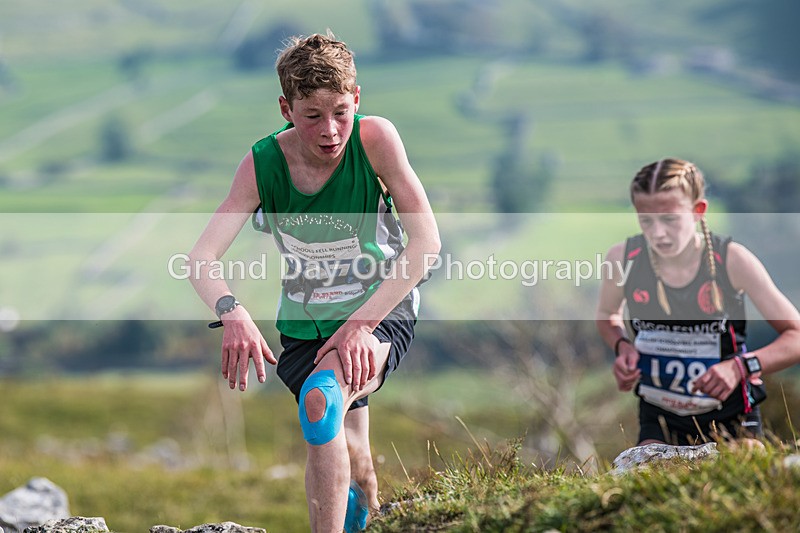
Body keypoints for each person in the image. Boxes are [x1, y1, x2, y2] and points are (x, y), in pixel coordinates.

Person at [187, 32, 440, 532]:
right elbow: (201, 258)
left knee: (321, 403)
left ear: (358, 99)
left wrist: (362, 325)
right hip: (305, 326)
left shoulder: (376, 140)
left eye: (341, 112)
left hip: (382, 309)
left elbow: (426, 244)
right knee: (351, 448)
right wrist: (232, 311)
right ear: (286, 108)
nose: (330, 131)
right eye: (312, 117)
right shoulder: (262, 164)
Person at [596, 158, 800, 446]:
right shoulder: (622, 258)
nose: (658, 233)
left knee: (739, 477)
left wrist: (739, 367)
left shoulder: (731, 260)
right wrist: (622, 346)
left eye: (669, 219)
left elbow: (796, 336)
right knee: (648, 484)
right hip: (660, 415)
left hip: (731, 414)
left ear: (697, 211)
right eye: (646, 220)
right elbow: (607, 314)